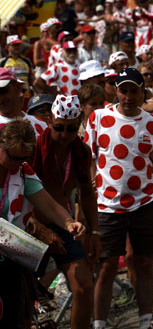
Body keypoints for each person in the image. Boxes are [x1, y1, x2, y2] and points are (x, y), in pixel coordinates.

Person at [86, 68, 153, 329]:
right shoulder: (97, 118)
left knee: (143, 262)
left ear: (143, 91)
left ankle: (146, 320)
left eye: (133, 90)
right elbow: (88, 159)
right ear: (116, 90)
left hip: (145, 204)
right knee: (107, 266)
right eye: (123, 90)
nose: (128, 96)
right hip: (106, 206)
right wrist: (91, 191)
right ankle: (99, 323)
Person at [0, 120, 86, 329]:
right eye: (12, 156)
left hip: (11, 256)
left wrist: (68, 222)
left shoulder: (22, 171)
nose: (17, 162)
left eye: (23, 158)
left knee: (18, 316)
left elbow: (49, 204)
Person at [31, 95, 99, 329]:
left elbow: (87, 194)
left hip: (63, 223)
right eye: (59, 128)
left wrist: (95, 232)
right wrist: (37, 228)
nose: (64, 135)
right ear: (50, 121)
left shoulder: (81, 151)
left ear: (79, 122)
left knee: (83, 285)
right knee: (23, 294)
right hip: (30, 225)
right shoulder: (35, 147)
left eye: (71, 129)